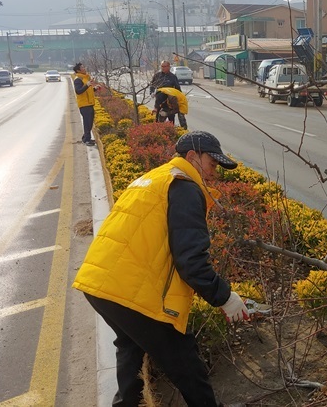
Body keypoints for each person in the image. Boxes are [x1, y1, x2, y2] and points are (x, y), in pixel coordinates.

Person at [73, 131, 249, 406]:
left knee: (130, 346)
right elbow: (191, 260)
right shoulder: (184, 186)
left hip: (100, 282)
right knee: (184, 360)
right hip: (130, 290)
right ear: (192, 157)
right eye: (212, 164)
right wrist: (224, 297)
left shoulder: (155, 178)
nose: (215, 173)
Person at [149, 60, 187, 128]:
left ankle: (171, 132)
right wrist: (152, 92)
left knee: (171, 121)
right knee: (158, 122)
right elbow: (152, 85)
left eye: (165, 66)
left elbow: (178, 89)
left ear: (169, 67)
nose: (163, 68)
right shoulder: (157, 76)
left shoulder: (173, 77)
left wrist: (179, 98)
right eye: (162, 66)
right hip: (159, 102)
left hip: (170, 103)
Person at [73, 62, 100, 146]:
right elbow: (78, 91)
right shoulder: (78, 79)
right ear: (78, 70)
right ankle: (87, 140)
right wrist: (87, 85)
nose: (84, 68)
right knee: (87, 122)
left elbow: (87, 91)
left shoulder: (86, 78)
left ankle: (86, 138)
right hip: (84, 105)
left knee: (90, 122)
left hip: (89, 103)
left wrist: (95, 88)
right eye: (82, 67)